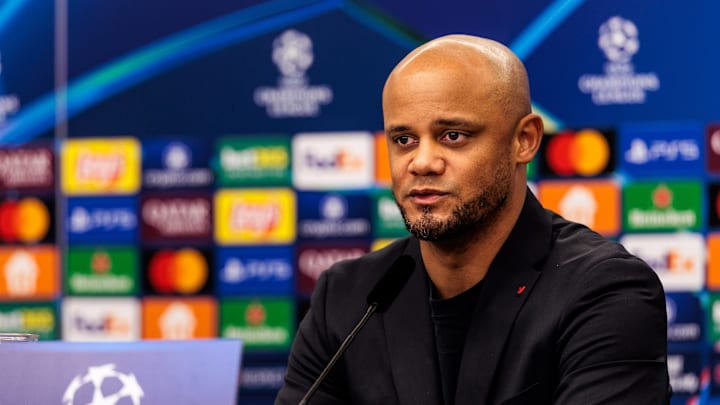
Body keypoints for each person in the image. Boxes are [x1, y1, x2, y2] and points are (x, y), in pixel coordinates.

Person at [276, 34, 671, 405]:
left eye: (453, 135)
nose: (422, 162)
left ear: (524, 140)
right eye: (403, 140)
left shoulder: (605, 289)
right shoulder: (347, 297)